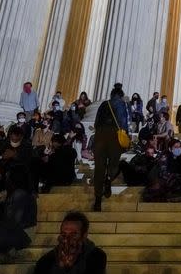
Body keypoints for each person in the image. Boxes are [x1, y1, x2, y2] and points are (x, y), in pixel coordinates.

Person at [92, 82, 129, 212]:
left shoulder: (103, 104)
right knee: (113, 164)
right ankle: (109, 178)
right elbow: (124, 122)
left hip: (100, 136)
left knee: (99, 168)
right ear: (121, 95)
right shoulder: (122, 104)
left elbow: (96, 122)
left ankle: (97, 199)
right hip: (114, 136)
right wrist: (126, 139)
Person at [33, 211, 107, 274]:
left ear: (84, 235)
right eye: (64, 234)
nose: (67, 240)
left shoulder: (97, 256)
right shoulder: (46, 261)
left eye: (74, 234)